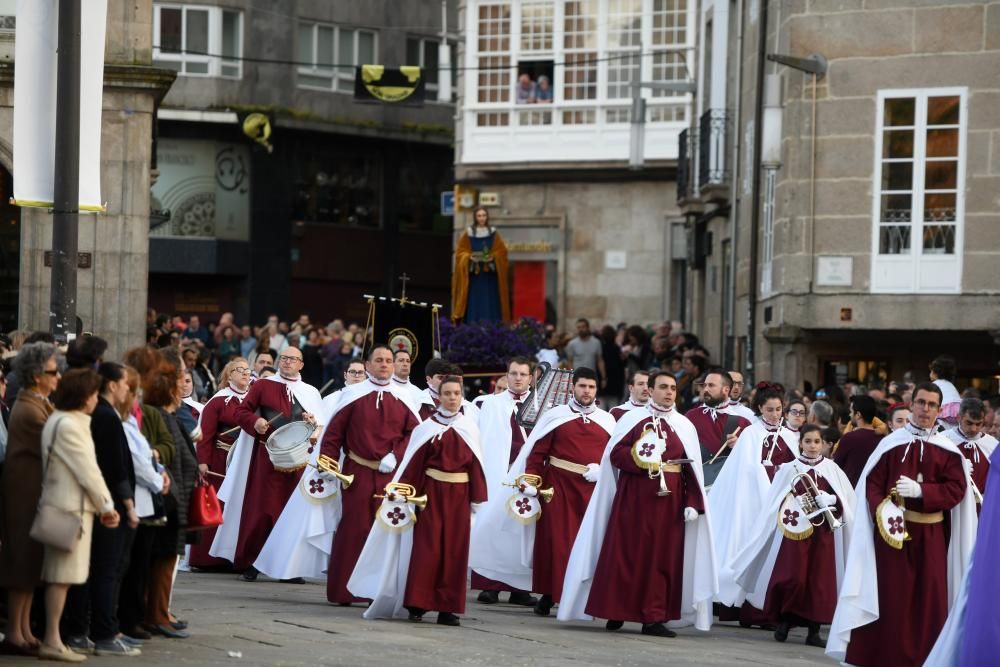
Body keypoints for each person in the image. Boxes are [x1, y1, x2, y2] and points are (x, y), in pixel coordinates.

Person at [827, 382, 976, 667]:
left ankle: (925, 659)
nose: (925, 409)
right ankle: (882, 657)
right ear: (912, 404)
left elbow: (957, 490)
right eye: (921, 402)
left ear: (939, 409)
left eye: (932, 405)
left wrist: (923, 492)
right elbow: (872, 485)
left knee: (928, 600)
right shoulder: (890, 444)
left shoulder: (947, 450)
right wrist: (884, 509)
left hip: (931, 537)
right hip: (892, 537)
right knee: (891, 597)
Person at [558, 370, 716, 637]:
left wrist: (693, 503)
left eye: (673, 388)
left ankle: (653, 617)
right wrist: (641, 458)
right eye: (663, 387)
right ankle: (617, 609)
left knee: (661, 561)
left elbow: (692, 470)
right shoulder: (633, 419)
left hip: (670, 505)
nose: (669, 393)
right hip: (633, 502)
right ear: (650, 390)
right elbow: (616, 455)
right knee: (625, 557)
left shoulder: (684, 426)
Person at [470, 368, 615, 616]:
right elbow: (537, 453)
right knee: (556, 544)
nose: (586, 391)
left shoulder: (607, 420)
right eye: (582, 386)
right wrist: (531, 481)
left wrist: (602, 470)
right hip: (557, 488)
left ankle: (582, 596)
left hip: (592, 491)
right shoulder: (556, 416)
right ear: (573, 388)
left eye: (591, 387)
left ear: (596, 390)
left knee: (588, 544)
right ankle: (550, 594)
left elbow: (613, 455)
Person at [349, 376, 487, 626]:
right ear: (439, 397)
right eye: (448, 393)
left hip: (459, 497)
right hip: (429, 497)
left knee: (454, 552)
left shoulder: (470, 427)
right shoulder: (426, 428)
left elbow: (476, 464)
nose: (453, 398)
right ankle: (417, 603)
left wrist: (477, 497)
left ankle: (448, 608)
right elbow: (413, 465)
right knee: (427, 549)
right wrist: (403, 493)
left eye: (457, 393)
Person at [731, 423, 856, 648]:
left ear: (824, 445)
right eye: (807, 441)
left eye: (817, 442)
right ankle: (785, 621)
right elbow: (775, 500)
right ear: (800, 443)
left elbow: (847, 501)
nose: (812, 446)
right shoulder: (790, 468)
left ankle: (814, 629)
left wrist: (832, 499)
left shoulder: (832, 469)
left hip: (823, 533)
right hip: (794, 532)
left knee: (820, 581)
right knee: (792, 577)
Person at [319, 345, 421, 603]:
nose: (385, 365)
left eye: (389, 360)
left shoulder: (405, 398)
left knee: (386, 530)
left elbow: (416, 435)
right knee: (354, 529)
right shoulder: (353, 395)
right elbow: (333, 434)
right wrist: (329, 464)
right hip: (357, 472)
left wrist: (396, 454)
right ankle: (344, 590)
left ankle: (379, 590)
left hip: (391, 477)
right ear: (368, 365)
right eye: (379, 360)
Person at [212, 347, 323, 581]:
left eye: (293, 359)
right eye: (284, 358)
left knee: (291, 513)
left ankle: (288, 568)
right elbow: (242, 412)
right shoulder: (263, 385)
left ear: (301, 364)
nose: (287, 362)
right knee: (263, 510)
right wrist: (255, 421)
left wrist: (314, 423)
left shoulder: (311, 392)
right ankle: (252, 562)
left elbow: (320, 427)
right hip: (266, 457)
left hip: (298, 460)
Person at [37, 369, 120, 662]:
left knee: (61, 577)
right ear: (84, 397)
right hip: (69, 509)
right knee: (61, 577)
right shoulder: (71, 424)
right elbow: (88, 471)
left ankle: (55, 638)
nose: (96, 399)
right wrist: (107, 506)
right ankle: (53, 640)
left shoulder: (59, 419)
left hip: (63, 506)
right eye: (94, 394)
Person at [60, 362, 140, 656]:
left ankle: (97, 629)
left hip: (102, 503)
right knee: (105, 570)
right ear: (112, 385)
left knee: (102, 569)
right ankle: (102, 632)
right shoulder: (105, 417)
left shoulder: (103, 415)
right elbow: (111, 467)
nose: (128, 389)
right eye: (125, 383)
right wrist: (127, 506)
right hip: (107, 506)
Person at [709, 384, 800, 627]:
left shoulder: (790, 436)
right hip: (754, 503)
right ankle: (746, 609)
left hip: (783, 504)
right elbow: (747, 470)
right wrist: (774, 472)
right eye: (769, 409)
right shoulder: (750, 434)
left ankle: (770, 608)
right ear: (760, 409)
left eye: (779, 409)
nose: (775, 414)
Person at [0, 343, 59, 655]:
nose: (57, 377)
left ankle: (22, 629)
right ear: (36, 376)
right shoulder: (28, 406)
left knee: (29, 564)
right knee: (21, 563)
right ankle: (15, 631)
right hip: (23, 494)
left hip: (32, 492)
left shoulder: (38, 402)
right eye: (52, 372)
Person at [468, 357, 538, 607]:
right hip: (496, 474)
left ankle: (519, 589)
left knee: (521, 532)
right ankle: (489, 586)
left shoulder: (542, 407)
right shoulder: (488, 404)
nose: (518, 378)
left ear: (531, 378)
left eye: (523, 374)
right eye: (513, 373)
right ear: (506, 376)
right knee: (490, 527)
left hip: (526, 479)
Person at [141, 356, 198, 639]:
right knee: (160, 558)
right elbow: (164, 453)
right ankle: (156, 614)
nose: (184, 382)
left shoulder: (170, 414)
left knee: (167, 559)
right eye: (180, 376)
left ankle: (161, 611)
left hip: (177, 496)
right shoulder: (157, 414)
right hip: (168, 497)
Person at [116, 366, 170, 642]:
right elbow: (138, 461)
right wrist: (157, 478)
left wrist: (158, 469)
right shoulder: (122, 421)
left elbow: (150, 452)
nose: (134, 397)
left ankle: (133, 618)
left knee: (139, 563)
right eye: (132, 391)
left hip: (147, 496)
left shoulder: (131, 420)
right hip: (137, 495)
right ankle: (128, 620)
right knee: (132, 565)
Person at [189, 358, 250, 569]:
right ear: (229, 375)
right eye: (238, 370)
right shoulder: (218, 401)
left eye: (247, 370)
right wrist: (203, 462)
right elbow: (205, 435)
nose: (244, 373)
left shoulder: (254, 400)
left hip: (245, 462)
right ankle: (208, 559)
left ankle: (236, 557)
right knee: (217, 506)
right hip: (220, 461)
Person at [451, 207, 511, 323]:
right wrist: (469, 257)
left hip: (490, 276)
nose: (482, 218)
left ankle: (493, 328)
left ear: (487, 217)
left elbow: (502, 252)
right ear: (475, 217)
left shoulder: (493, 233)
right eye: (479, 215)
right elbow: (460, 254)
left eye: (484, 215)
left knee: (491, 302)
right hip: (474, 277)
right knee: (474, 302)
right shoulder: (468, 233)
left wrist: (493, 257)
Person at [941, 397, 995, 512]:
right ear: (958, 418)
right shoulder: (943, 440)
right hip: (952, 507)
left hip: (982, 507)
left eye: (978, 424)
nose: (974, 429)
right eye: (969, 423)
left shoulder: (992, 445)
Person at [684, 369, 750, 459]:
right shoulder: (691, 416)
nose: (706, 389)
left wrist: (739, 445)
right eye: (705, 385)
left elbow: (751, 456)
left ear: (726, 390)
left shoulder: (742, 422)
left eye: (711, 385)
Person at [832, 395, 882, 487]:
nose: (850, 415)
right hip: (874, 493)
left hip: (851, 493)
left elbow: (835, 467)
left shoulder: (849, 438)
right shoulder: (883, 438)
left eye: (851, 411)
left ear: (858, 415)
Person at [565, 319, 606, 385]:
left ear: (587, 328)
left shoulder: (596, 342)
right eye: (578, 327)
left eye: (583, 327)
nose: (581, 329)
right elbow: (570, 361)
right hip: (577, 378)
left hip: (591, 378)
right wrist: (571, 377)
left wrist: (604, 378)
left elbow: (600, 360)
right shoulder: (572, 344)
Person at [929, 355, 961, 425]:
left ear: (935, 372)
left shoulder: (934, 385)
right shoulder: (952, 386)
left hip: (940, 420)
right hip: (955, 421)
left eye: (931, 371)